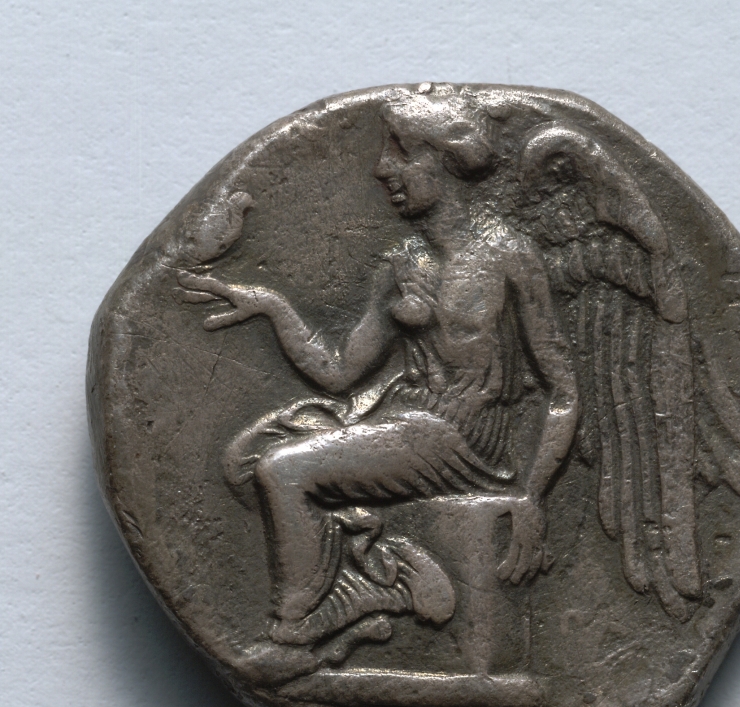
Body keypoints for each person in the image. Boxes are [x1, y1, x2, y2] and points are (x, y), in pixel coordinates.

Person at [179, 86, 579, 647]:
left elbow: (563, 390)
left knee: (283, 471)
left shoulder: (508, 257)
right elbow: (338, 373)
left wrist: (533, 497)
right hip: (404, 419)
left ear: (442, 160)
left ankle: (303, 622)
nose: (382, 168)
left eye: (400, 152)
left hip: (465, 440)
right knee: (245, 461)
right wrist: (273, 308)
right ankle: (380, 567)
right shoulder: (402, 265)